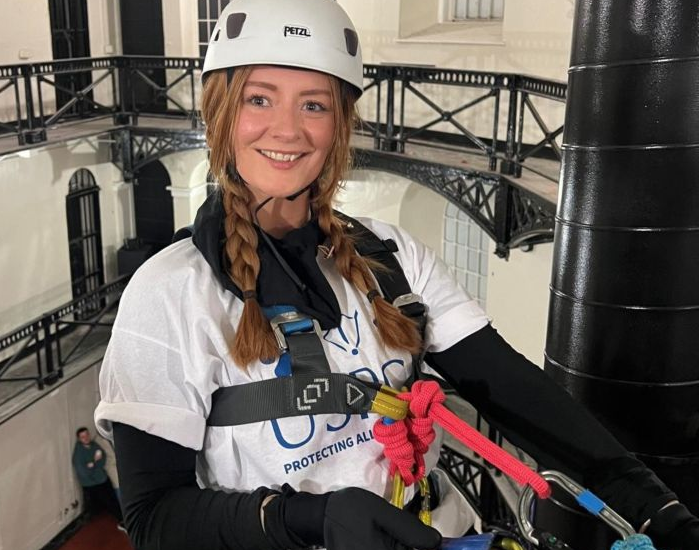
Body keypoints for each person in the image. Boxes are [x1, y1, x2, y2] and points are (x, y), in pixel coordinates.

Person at [94, 1, 699, 549]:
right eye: (259, 98)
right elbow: (154, 517)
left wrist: (651, 503)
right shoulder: (169, 293)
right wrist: (306, 518)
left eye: (314, 104)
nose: (287, 129)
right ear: (222, 111)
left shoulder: (389, 257)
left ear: (339, 125)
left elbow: (512, 390)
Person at [71, 426, 125, 531]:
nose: (86, 438)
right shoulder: (78, 454)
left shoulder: (94, 445)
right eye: (83, 437)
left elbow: (102, 458)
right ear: (79, 439)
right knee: (107, 501)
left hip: (101, 478)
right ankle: (121, 520)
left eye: (87, 435)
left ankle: (120, 518)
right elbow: (84, 472)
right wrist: (95, 464)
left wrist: (93, 464)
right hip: (93, 483)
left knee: (109, 500)